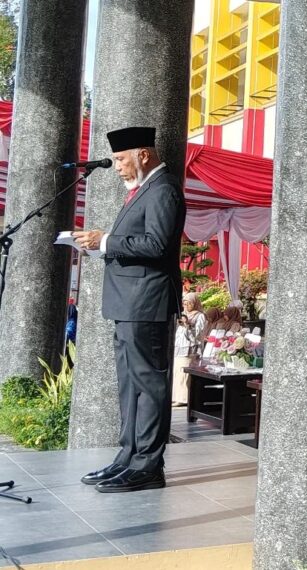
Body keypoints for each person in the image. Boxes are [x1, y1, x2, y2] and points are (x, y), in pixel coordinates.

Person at [73, 126, 186, 493]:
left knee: (148, 385)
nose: (118, 166)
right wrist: (100, 245)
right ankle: (128, 457)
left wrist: (106, 240)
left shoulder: (163, 189)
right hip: (129, 303)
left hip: (147, 302)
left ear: (143, 155)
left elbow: (156, 245)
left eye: (121, 159)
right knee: (130, 385)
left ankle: (148, 465)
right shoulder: (142, 191)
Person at [172, 293, 206, 406]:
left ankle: (183, 398)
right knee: (176, 372)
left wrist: (188, 326)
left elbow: (198, 334)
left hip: (189, 349)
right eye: (184, 303)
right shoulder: (182, 314)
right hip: (178, 347)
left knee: (184, 373)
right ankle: (175, 397)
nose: (186, 306)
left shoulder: (200, 316)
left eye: (189, 303)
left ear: (194, 303)